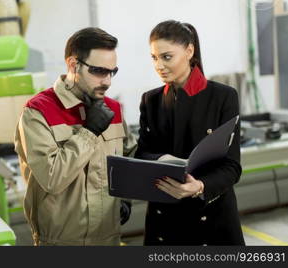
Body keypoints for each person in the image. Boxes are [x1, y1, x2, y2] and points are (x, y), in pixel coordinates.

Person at [14, 27, 137, 246]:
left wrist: (125, 197)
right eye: (99, 71)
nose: (107, 81)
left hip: (109, 239)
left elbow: (127, 161)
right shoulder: (38, 112)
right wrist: (89, 133)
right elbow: (52, 178)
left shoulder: (113, 109)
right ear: (73, 65)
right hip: (61, 243)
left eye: (112, 72)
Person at [136, 20, 245, 245]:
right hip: (164, 218)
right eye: (154, 58)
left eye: (167, 57)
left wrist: (200, 186)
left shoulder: (223, 97)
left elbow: (232, 166)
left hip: (211, 218)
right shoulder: (150, 100)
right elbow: (142, 153)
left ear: (189, 51)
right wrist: (161, 160)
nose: (159, 65)